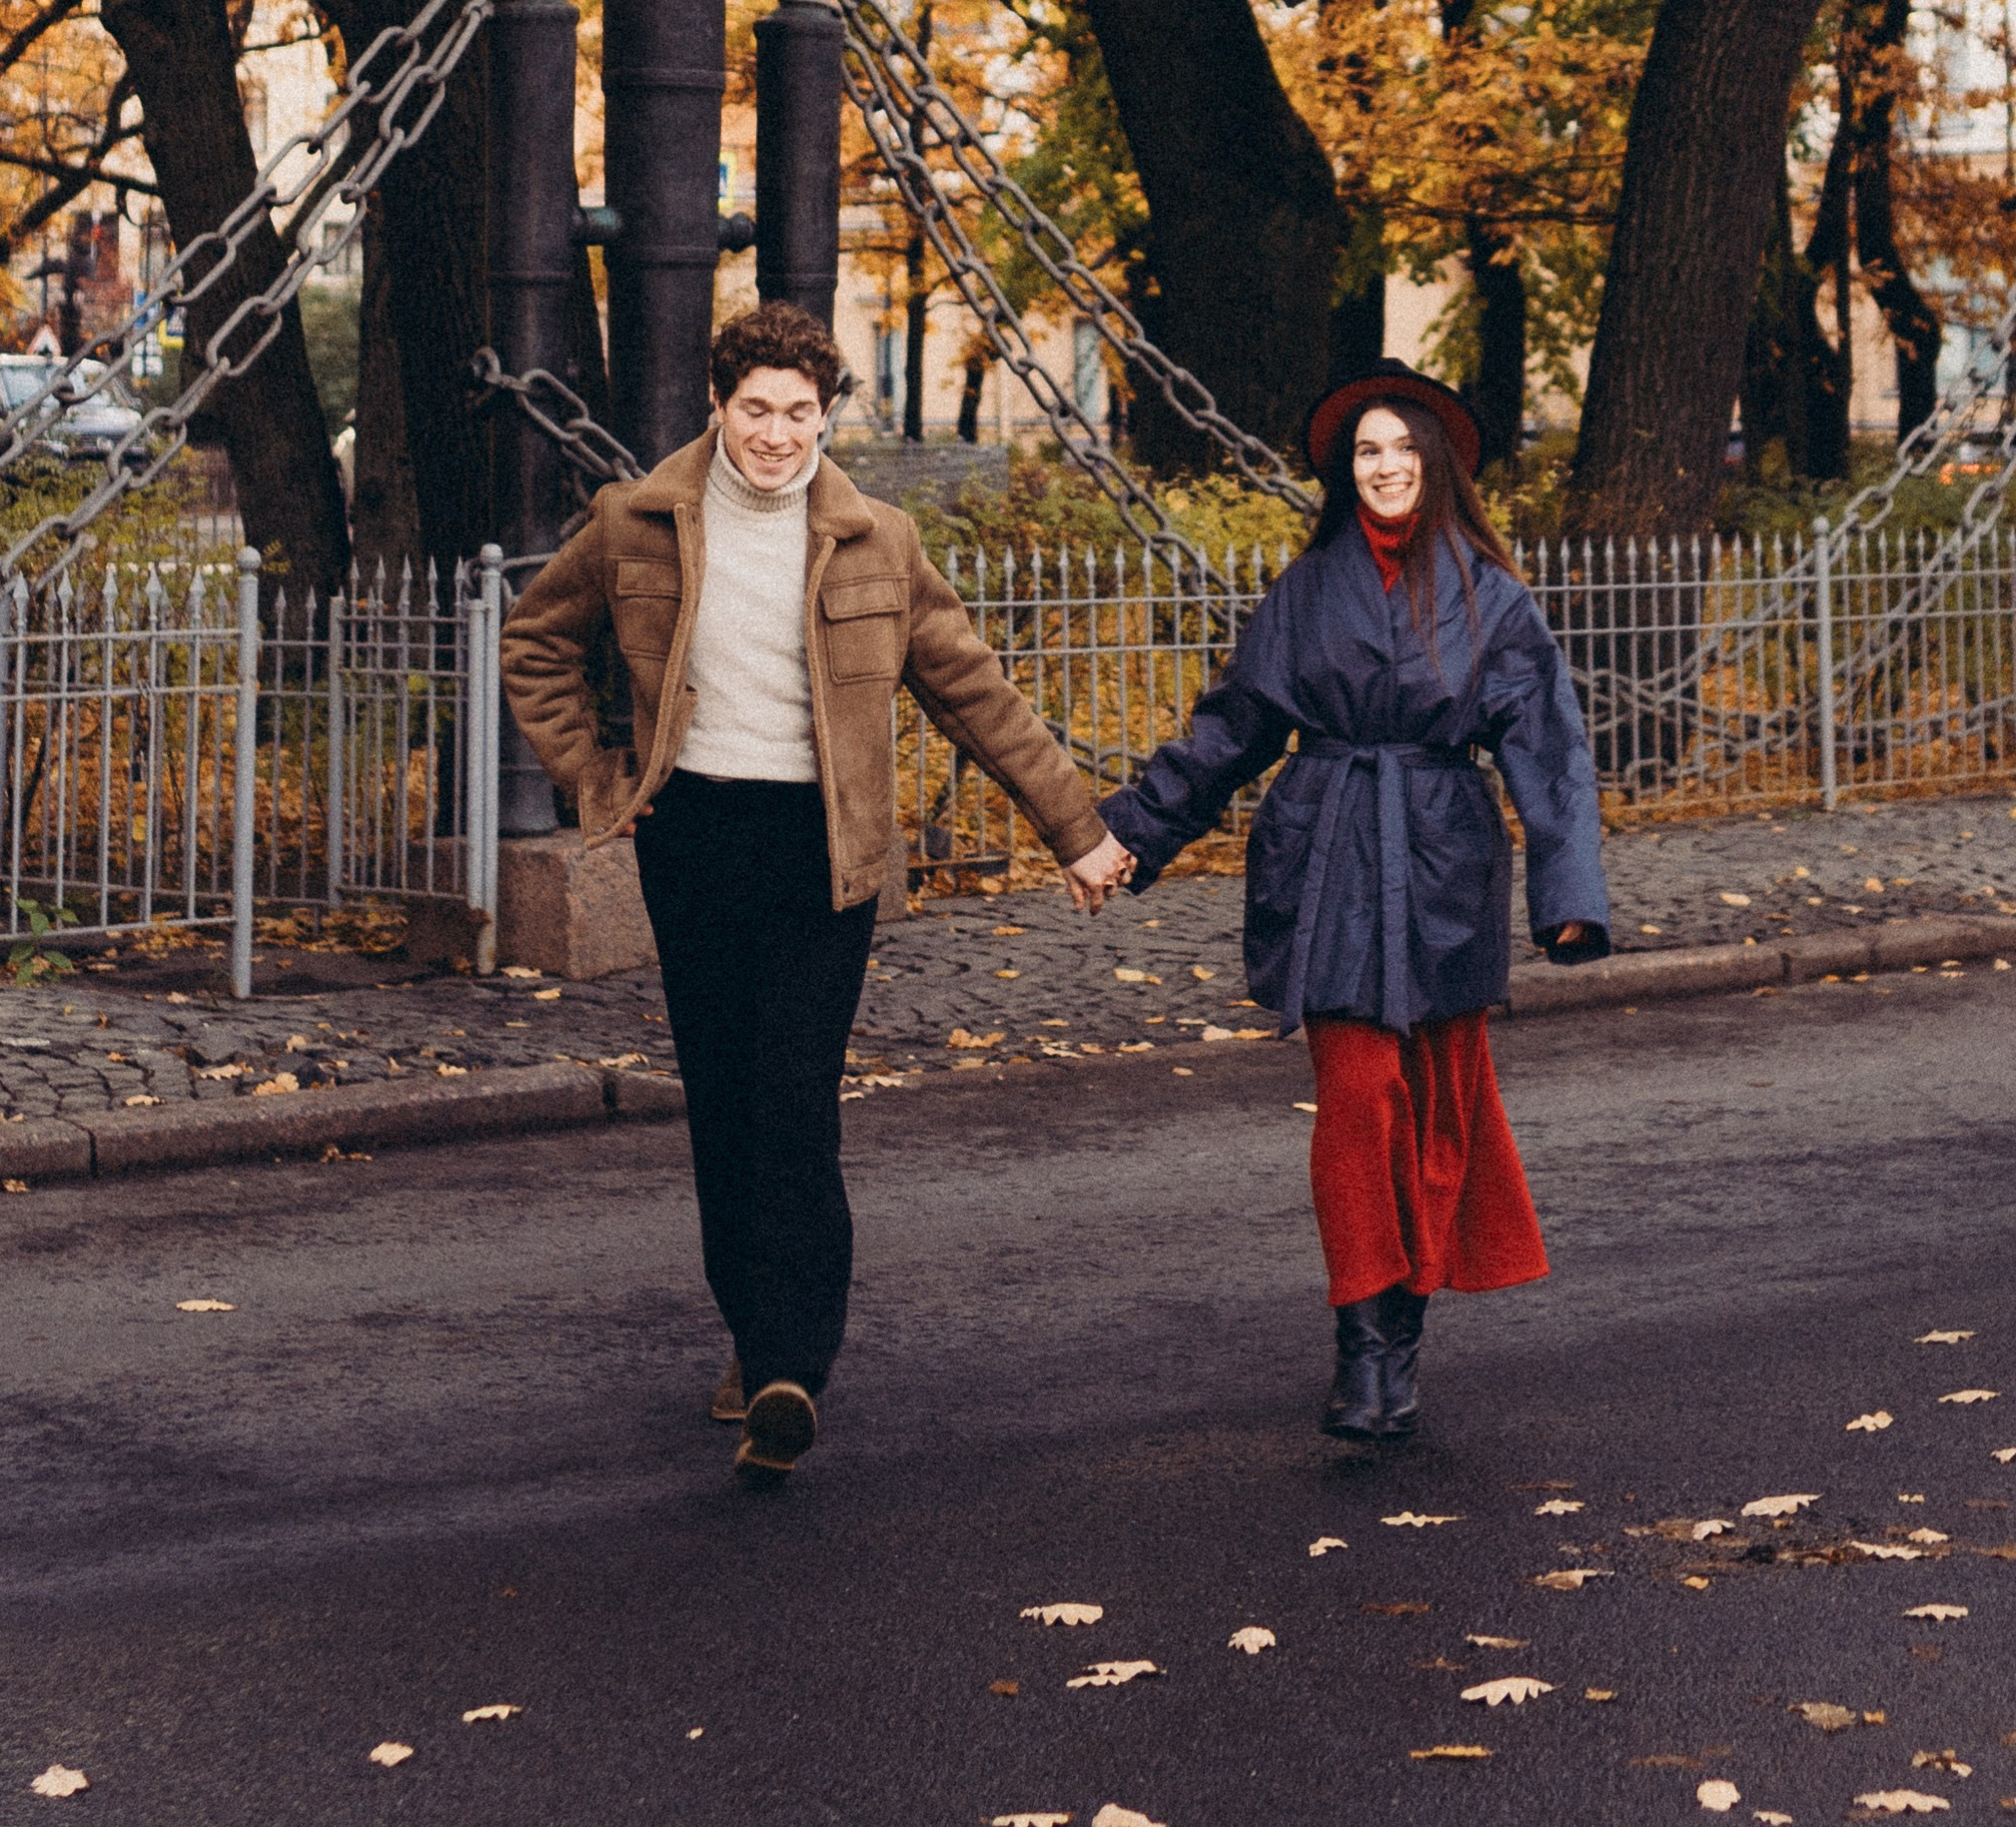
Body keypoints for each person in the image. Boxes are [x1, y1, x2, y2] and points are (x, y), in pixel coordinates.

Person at [501, 299, 1116, 1482]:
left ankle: (792, 1362)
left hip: (820, 852)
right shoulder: (635, 523)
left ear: (827, 416)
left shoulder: (875, 539)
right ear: (717, 408)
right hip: (691, 837)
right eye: (757, 411)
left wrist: (1074, 830)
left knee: (792, 1094)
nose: (778, 436)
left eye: (799, 414)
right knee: (726, 1102)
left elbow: (973, 690)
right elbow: (534, 640)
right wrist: (596, 775)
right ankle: (752, 1332)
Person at [1069, 360, 1609, 1443]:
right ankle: (1364, 1347)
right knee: (1360, 1098)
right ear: (1344, 471)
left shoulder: (1490, 598)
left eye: (1404, 449)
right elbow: (1231, 728)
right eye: (1367, 451)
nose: (1386, 466)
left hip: (1443, 856)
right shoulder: (1306, 591)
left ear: (1438, 463)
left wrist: (1569, 896)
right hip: (1324, 854)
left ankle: (1403, 1320)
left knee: (1432, 1113)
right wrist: (1124, 835)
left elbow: (1547, 749)